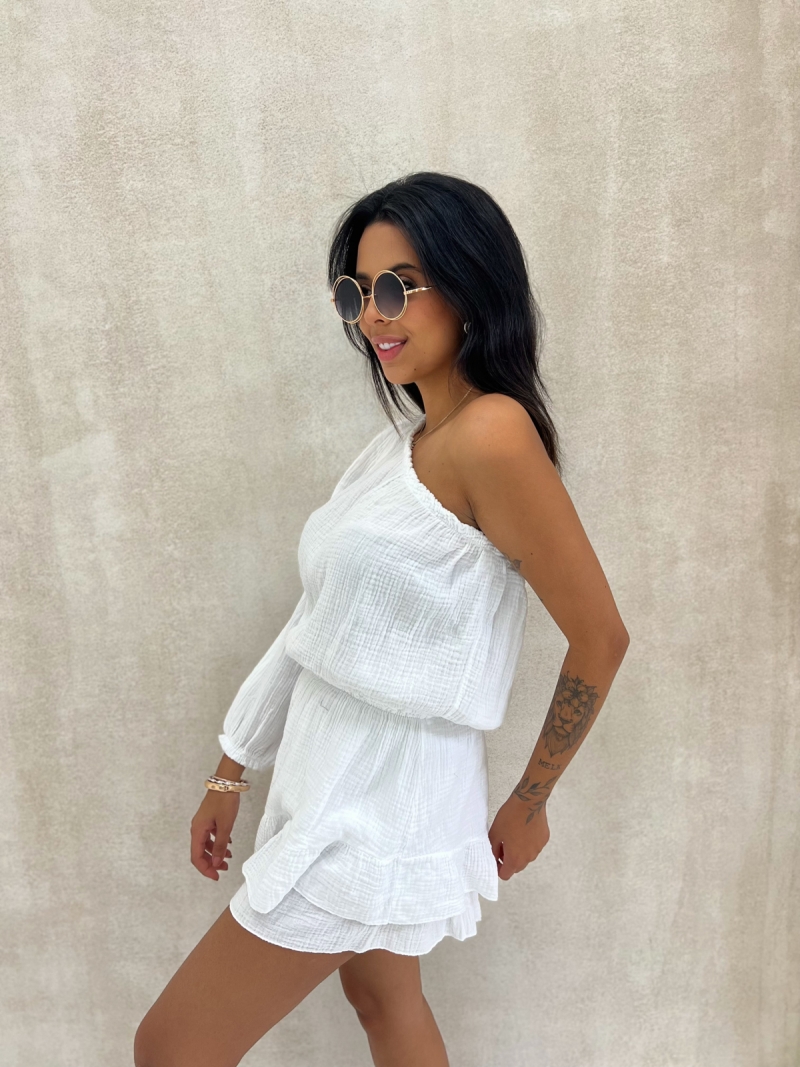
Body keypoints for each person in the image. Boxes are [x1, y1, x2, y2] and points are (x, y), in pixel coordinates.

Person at [134, 171, 630, 1067]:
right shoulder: (402, 445)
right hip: (332, 776)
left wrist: (531, 799)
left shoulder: (493, 435)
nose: (373, 315)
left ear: (470, 284)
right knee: (382, 995)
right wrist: (232, 764)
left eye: (399, 287)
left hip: (376, 801)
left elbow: (601, 637)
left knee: (171, 1045)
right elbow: (316, 623)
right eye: (357, 292)